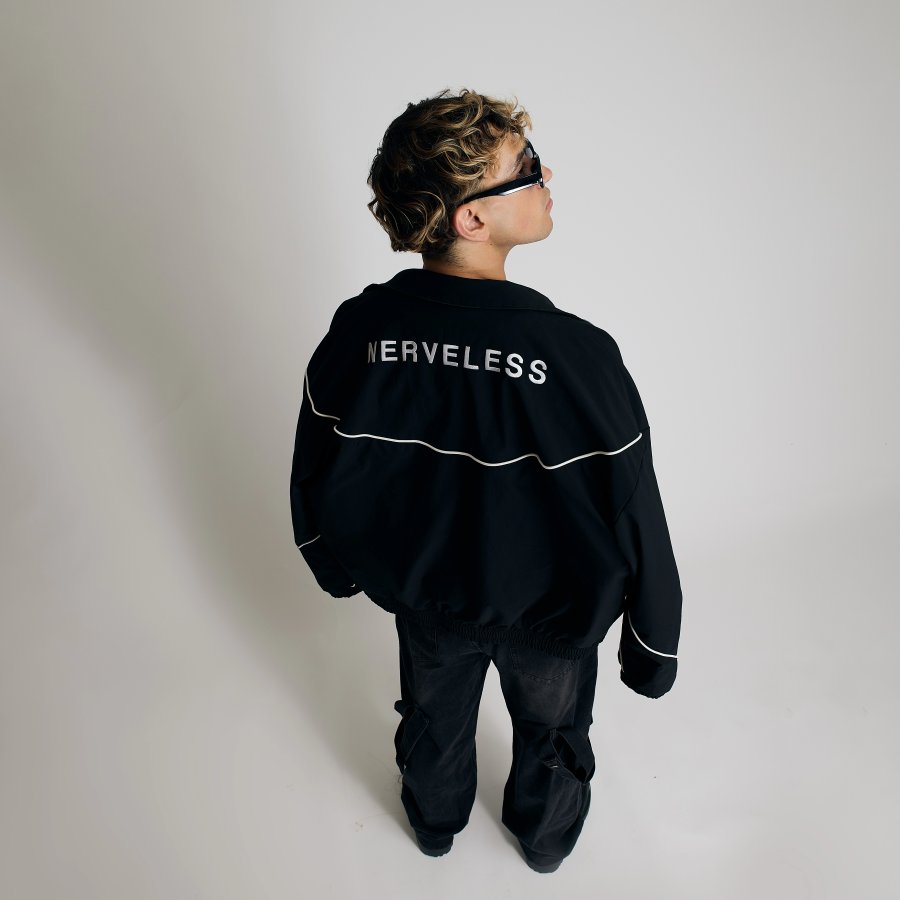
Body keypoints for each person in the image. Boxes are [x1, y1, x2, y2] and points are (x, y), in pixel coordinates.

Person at [289, 88, 682, 873]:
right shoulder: (576, 356)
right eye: (527, 168)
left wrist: (327, 561)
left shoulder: (361, 331)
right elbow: (635, 507)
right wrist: (652, 645)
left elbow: (313, 460)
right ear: (472, 218)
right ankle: (545, 841)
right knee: (552, 734)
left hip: (428, 605)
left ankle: (433, 824)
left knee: (432, 723)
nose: (546, 176)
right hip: (552, 620)